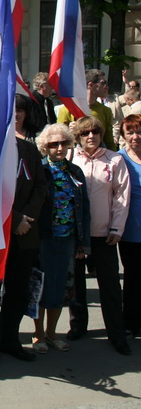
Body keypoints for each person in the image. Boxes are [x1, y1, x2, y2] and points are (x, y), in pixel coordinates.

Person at [0, 99, 47, 367]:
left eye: (19, 110)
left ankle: (10, 339)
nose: (15, 115)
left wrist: (26, 218)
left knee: (17, 290)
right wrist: (15, 218)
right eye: (10, 110)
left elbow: (41, 186)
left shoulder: (30, 149)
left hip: (26, 232)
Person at [67, 117, 131, 354]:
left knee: (110, 285)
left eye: (95, 131)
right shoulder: (71, 158)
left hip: (104, 234)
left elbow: (121, 197)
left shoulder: (114, 160)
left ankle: (116, 333)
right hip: (77, 233)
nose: (90, 136)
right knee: (77, 284)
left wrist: (117, 228)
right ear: (79, 137)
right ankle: (78, 325)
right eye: (85, 133)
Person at [32, 124, 90, 354]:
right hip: (44, 238)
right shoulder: (40, 170)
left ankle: (52, 333)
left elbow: (84, 207)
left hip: (67, 238)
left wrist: (83, 243)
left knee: (60, 288)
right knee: (40, 286)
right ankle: (38, 334)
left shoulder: (75, 172)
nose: (58, 148)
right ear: (45, 147)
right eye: (53, 144)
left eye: (63, 143)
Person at [119, 114, 141, 340]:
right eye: (131, 132)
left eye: (139, 132)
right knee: (134, 277)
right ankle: (131, 322)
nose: (136, 137)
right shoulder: (119, 159)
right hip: (132, 229)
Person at [57, 69, 115, 150]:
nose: (106, 86)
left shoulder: (106, 111)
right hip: (75, 158)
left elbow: (109, 141)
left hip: (99, 157)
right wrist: (70, 132)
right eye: (103, 83)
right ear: (91, 85)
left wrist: (115, 158)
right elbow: (59, 138)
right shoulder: (67, 109)